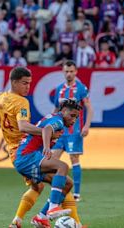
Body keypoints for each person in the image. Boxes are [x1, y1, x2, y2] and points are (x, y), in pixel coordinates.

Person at [0, 67, 82, 228]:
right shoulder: (21, 102)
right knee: (59, 178)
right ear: (14, 82)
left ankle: (21, 220)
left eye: (30, 83)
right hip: (24, 151)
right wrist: (48, 135)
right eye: (25, 83)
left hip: (16, 150)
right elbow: (24, 127)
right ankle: (56, 216)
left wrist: (9, 127)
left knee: (55, 184)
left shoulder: (0, 98)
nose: (28, 87)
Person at [15, 99, 82, 227]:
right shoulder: (58, 121)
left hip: (26, 159)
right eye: (72, 115)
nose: (73, 120)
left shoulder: (55, 119)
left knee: (68, 183)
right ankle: (53, 208)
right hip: (27, 156)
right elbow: (47, 129)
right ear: (63, 111)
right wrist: (46, 147)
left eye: (76, 117)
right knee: (63, 166)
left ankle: (41, 217)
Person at [52, 60, 93, 202]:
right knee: (52, 160)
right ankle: (57, 188)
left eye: (71, 71)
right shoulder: (59, 89)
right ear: (63, 72)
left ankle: (76, 194)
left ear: (76, 72)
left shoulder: (81, 88)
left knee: (74, 159)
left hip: (74, 131)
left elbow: (89, 107)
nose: (69, 74)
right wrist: (50, 124)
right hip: (59, 131)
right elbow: (56, 109)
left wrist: (86, 126)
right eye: (66, 71)